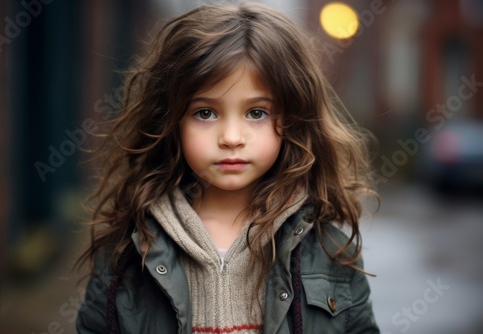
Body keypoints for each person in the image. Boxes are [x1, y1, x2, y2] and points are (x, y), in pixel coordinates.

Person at [76, 2, 380, 333]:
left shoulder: (331, 254)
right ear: (171, 121)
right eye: (205, 113)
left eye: (257, 113)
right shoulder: (128, 251)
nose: (232, 138)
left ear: (294, 120)